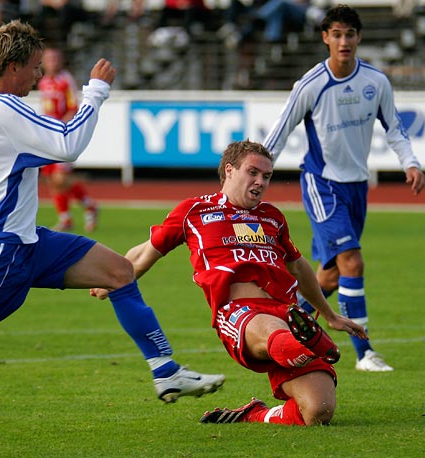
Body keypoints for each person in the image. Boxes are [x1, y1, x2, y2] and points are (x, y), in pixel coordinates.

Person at [0, 19, 225, 403]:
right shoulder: (8, 111)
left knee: (119, 271)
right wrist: (95, 92)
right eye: (33, 67)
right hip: (0, 252)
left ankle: (166, 372)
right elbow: (68, 145)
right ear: (12, 68)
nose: (38, 75)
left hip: (22, 240)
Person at [92, 140, 367, 425]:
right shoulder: (194, 211)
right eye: (253, 172)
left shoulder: (271, 217)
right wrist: (110, 276)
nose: (260, 182)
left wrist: (330, 315)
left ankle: (254, 414)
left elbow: (297, 266)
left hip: (286, 312)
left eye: (267, 176)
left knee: (318, 411)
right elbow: (145, 251)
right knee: (285, 341)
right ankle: (303, 343)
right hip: (239, 315)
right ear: (230, 170)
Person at [262, 5, 425, 372]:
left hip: (356, 187)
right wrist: (256, 172)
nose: (343, 41)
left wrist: (410, 163)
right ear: (325, 38)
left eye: (349, 34)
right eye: (336, 34)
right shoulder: (311, 85)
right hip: (322, 184)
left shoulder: (376, 82)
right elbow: (281, 129)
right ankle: (365, 353)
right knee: (353, 261)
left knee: (332, 275)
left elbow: (395, 128)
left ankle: (289, 323)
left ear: (358, 37)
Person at [38, 47, 99, 233]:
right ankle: (67, 217)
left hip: (62, 135)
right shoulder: (43, 82)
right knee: (50, 179)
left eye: (56, 58)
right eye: (49, 58)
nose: (53, 62)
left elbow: (74, 107)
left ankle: (88, 207)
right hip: (49, 136)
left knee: (60, 178)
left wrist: (61, 127)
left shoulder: (66, 81)